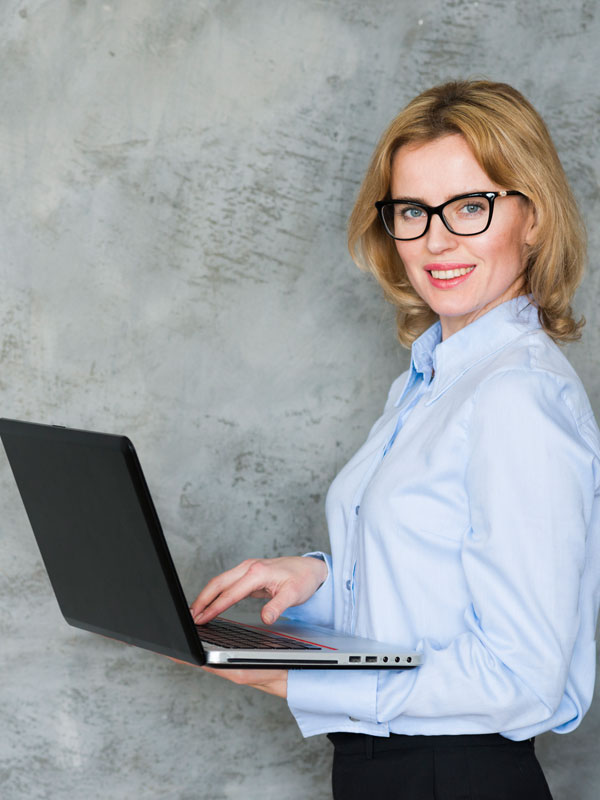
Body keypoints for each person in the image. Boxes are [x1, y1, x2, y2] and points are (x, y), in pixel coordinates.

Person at [187, 81, 600, 799]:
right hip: (395, 772)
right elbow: (435, 592)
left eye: (470, 207)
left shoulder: (516, 396)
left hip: (454, 778)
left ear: (532, 218)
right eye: (412, 211)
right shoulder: (433, 375)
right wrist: (318, 577)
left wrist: (298, 680)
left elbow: (520, 677)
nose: (436, 240)